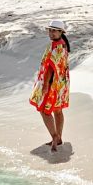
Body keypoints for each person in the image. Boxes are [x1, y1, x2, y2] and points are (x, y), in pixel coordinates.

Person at [29, 19, 70, 151]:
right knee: (57, 110)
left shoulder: (58, 47)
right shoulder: (60, 44)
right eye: (50, 30)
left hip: (52, 83)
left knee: (44, 110)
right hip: (61, 83)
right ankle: (58, 138)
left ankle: (55, 137)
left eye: (54, 31)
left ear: (60, 32)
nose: (51, 33)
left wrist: (45, 84)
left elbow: (51, 68)